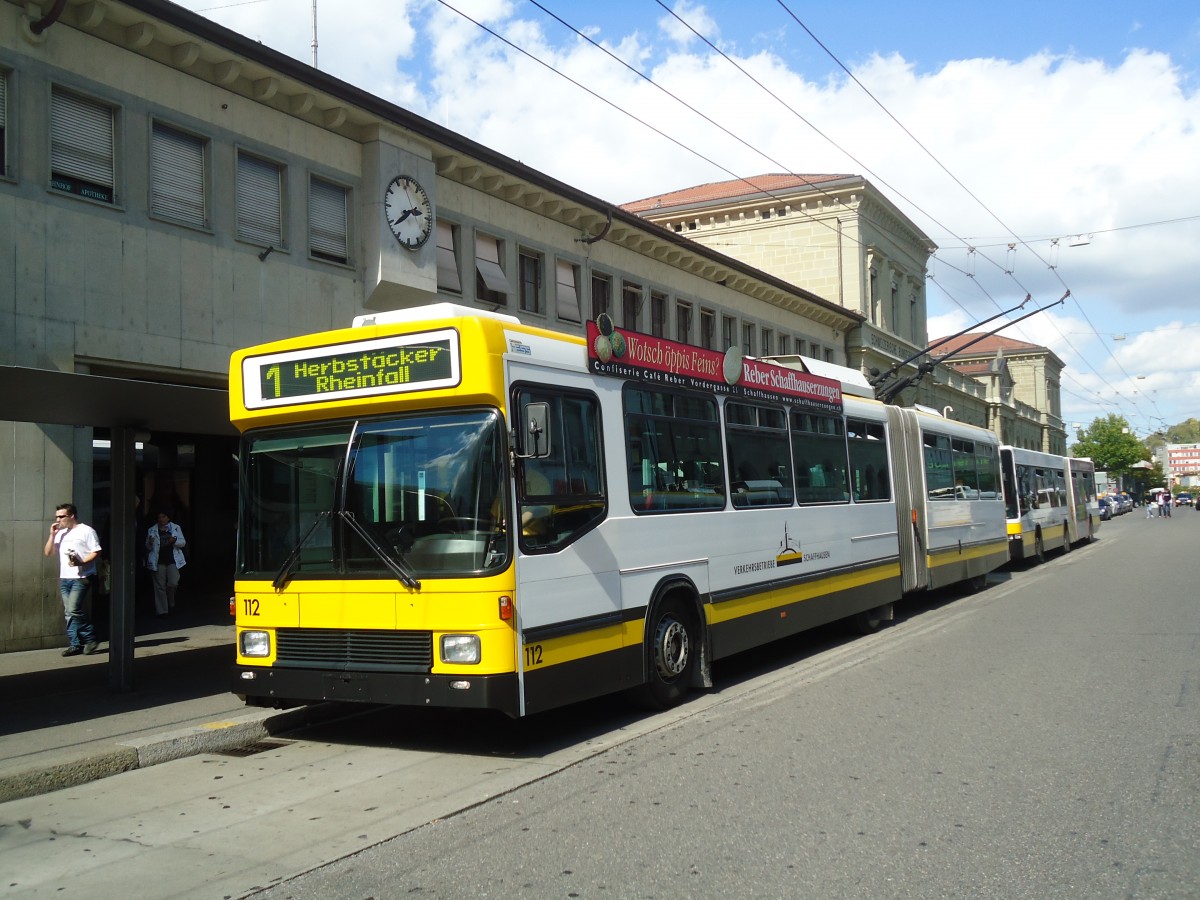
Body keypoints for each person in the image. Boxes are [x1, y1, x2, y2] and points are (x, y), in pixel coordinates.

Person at [43, 502, 101, 657]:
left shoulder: (86, 531)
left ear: (72, 516)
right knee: (68, 612)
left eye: (61, 516)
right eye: (57, 517)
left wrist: (81, 562)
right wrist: (52, 535)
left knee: (73, 608)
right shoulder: (60, 533)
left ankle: (90, 639)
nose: (58, 520)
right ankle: (75, 644)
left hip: (82, 577)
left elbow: (96, 551)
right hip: (65, 577)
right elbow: (48, 553)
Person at [145, 511, 187, 616]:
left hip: (172, 559)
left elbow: (183, 543)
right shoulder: (152, 530)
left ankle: (170, 600)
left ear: (168, 518)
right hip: (158, 560)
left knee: (173, 582)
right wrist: (150, 542)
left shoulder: (175, 528)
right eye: (159, 517)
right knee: (159, 586)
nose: (161, 519)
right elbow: (148, 547)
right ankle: (162, 611)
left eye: (163, 517)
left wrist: (174, 541)